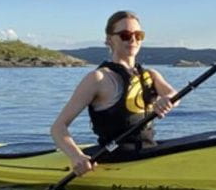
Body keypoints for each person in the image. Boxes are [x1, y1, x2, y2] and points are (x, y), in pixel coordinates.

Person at [51, 10, 178, 177]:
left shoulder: (151, 75)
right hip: (114, 157)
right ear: (109, 39)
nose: (133, 39)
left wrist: (167, 100)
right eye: (125, 35)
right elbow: (58, 127)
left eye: (138, 35)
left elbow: (173, 94)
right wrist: (76, 156)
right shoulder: (98, 78)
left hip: (149, 150)